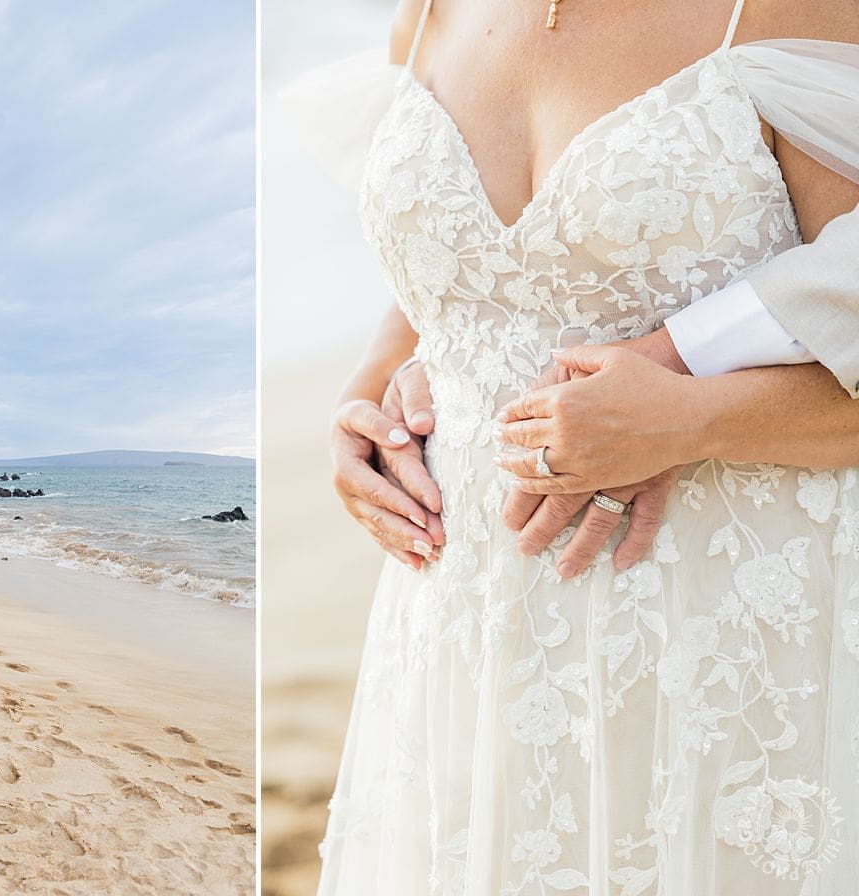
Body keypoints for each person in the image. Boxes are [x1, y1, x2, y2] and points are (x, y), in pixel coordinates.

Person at [309, 1, 859, 892]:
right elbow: (447, 279)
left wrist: (690, 416)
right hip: (458, 628)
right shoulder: (425, 13)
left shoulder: (788, 10)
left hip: (715, 637)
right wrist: (366, 396)